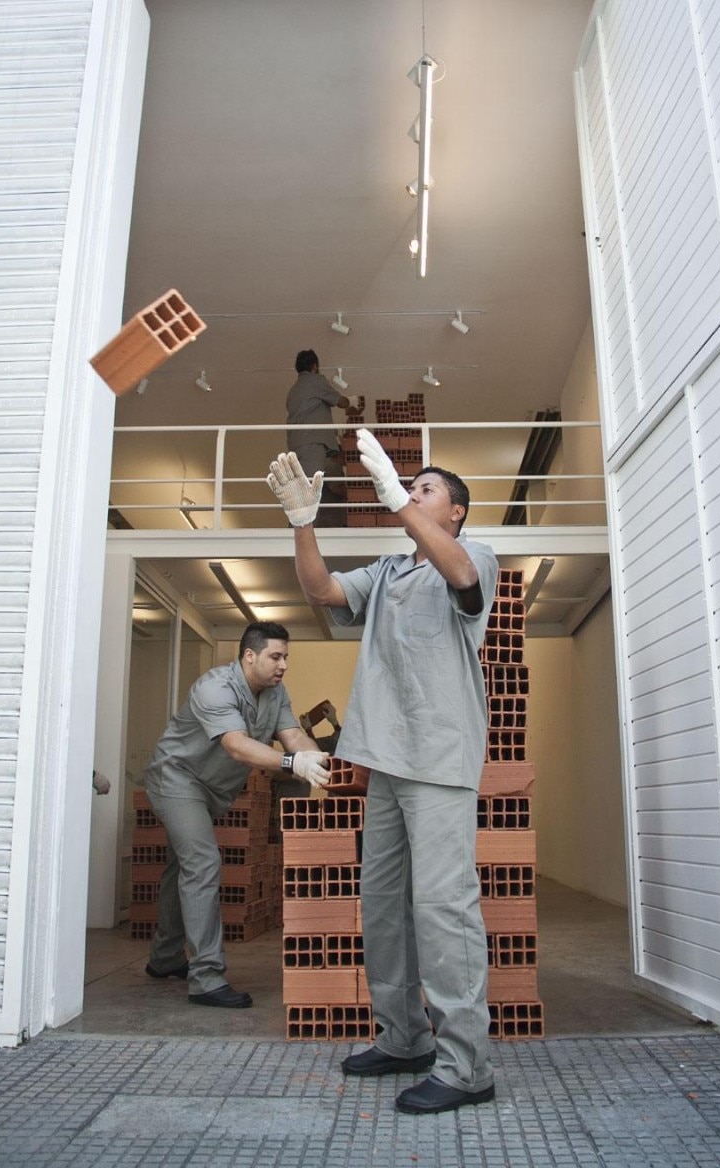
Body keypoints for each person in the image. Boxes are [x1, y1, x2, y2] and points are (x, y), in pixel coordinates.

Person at [267, 435, 498, 1115]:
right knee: (384, 904)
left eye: (428, 490)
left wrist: (396, 497)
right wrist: (302, 523)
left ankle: (466, 1067)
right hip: (386, 762)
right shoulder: (390, 571)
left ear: (455, 512)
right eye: (410, 487)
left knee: (444, 906)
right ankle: (404, 1039)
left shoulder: (472, 554)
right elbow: (321, 590)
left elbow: (461, 576)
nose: (414, 494)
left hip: (440, 759)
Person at [142, 620, 331, 1008]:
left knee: (183, 868)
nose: (283, 665)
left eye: (286, 657)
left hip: (212, 789)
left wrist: (319, 759)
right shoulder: (215, 687)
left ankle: (164, 958)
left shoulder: (275, 693)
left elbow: (293, 736)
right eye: (275, 657)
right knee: (203, 862)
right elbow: (236, 745)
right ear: (249, 655)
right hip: (177, 779)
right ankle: (206, 978)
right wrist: (292, 763)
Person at [286, 349, 359, 527]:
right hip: (312, 443)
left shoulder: (293, 391)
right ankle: (301, 532)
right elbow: (339, 401)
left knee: (303, 488)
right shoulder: (315, 381)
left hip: (297, 445)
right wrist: (352, 402)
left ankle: (297, 530)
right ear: (314, 366)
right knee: (310, 492)